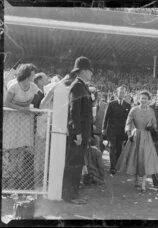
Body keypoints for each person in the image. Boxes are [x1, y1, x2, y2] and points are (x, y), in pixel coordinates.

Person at [61, 56, 93, 204]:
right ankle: (69, 196)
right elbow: (74, 112)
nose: (91, 73)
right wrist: (78, 132)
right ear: (83, 71)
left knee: (77, 164)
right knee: (73, 165)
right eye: (89, 70)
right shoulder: (77, 86)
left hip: (82, 132)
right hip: (78, 133)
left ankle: (73, 194)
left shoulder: (81, 86)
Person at [116, 91, 158, 192]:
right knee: (136, 158)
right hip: (136, 135)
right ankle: (137, 180)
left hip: (147, 137)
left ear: (149, 100)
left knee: (145, 158)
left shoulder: (151, 111)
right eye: (142, 98)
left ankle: (143, 184)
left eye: (145, 98)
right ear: (138, 99)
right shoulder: (134, 110)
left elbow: (155, 124)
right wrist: (128, 132)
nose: (143, 100)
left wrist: (152, 127)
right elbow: (128, 122)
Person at [102, 86, 131, 175]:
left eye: (123, 92)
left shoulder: (128, 105)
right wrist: (104, 129)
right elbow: (106, 117)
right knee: (112, 148)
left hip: (122, 131)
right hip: (112, 130)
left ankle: (117, 165)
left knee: (119, 149)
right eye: (120, 92)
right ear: (117, 93)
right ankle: (112, 167)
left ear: (125, 94)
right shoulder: (111, 104)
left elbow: (129, 120)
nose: (121, 94)